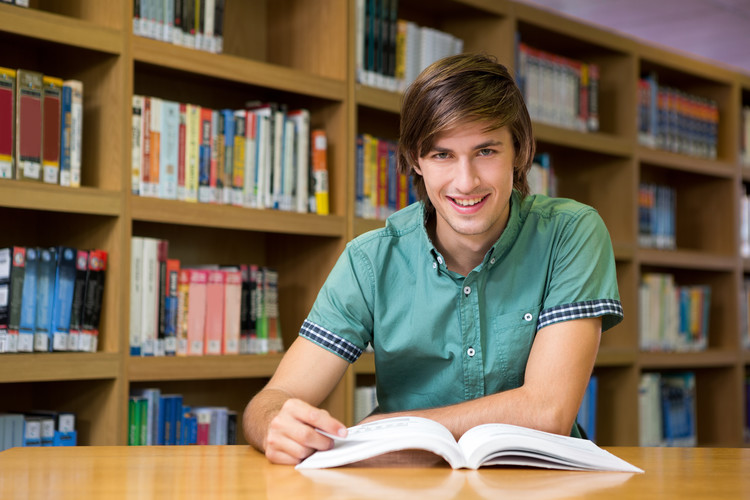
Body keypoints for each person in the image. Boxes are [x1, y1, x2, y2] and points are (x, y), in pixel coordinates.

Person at [243, 53, 623, 465]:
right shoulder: (369, 261)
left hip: (538, 482)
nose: (466, 181)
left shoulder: (571, 232)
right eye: (442, 155)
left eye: (486, 151)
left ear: (520, 150)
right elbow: (271, 400)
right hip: (407, 483)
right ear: (414, 160)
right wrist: (275, 426)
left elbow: (547, 411)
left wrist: (387, 427)